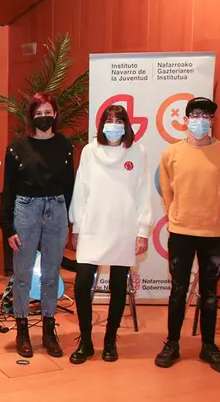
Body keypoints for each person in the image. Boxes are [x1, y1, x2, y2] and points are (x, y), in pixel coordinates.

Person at [155, 97, 220, 374]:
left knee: (210, 293)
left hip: (213, 231)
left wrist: (217, 215)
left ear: (213, 120)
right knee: (178, 290)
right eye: (195, 114)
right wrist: (174, 213)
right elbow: (167, 190)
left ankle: (209, 346)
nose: (200, 119)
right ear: (186, 119)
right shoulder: (171, 153)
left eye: (207, 115)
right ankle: (172, 343)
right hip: (181, 230)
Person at [67, 105, 152, 364]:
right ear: (101, 123)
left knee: (118, 287)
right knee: (82, 285)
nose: (113, 124)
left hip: (124, 229)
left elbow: (144, 192)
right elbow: (81, 190)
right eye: (108, 119)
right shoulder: (90, 152)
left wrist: (142, 231)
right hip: (93, 227)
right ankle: (86, 340)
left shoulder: (137, 152)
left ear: (126, 125)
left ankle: (110, 340)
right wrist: (77, 226)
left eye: (118, 120)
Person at [0, 92, 73, 358]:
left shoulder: (65, 146)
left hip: (56, 209)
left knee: (51, 274)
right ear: (31, 116)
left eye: (48, 112)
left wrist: (67, 220)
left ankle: (49, 330)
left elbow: (69, 186)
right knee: (22, 274)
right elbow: (7, 190)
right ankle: (22, 329)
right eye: (38, 113)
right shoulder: (16, 148)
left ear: (55, 114)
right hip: (25, 210)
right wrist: (7, 227)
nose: (44, 118)